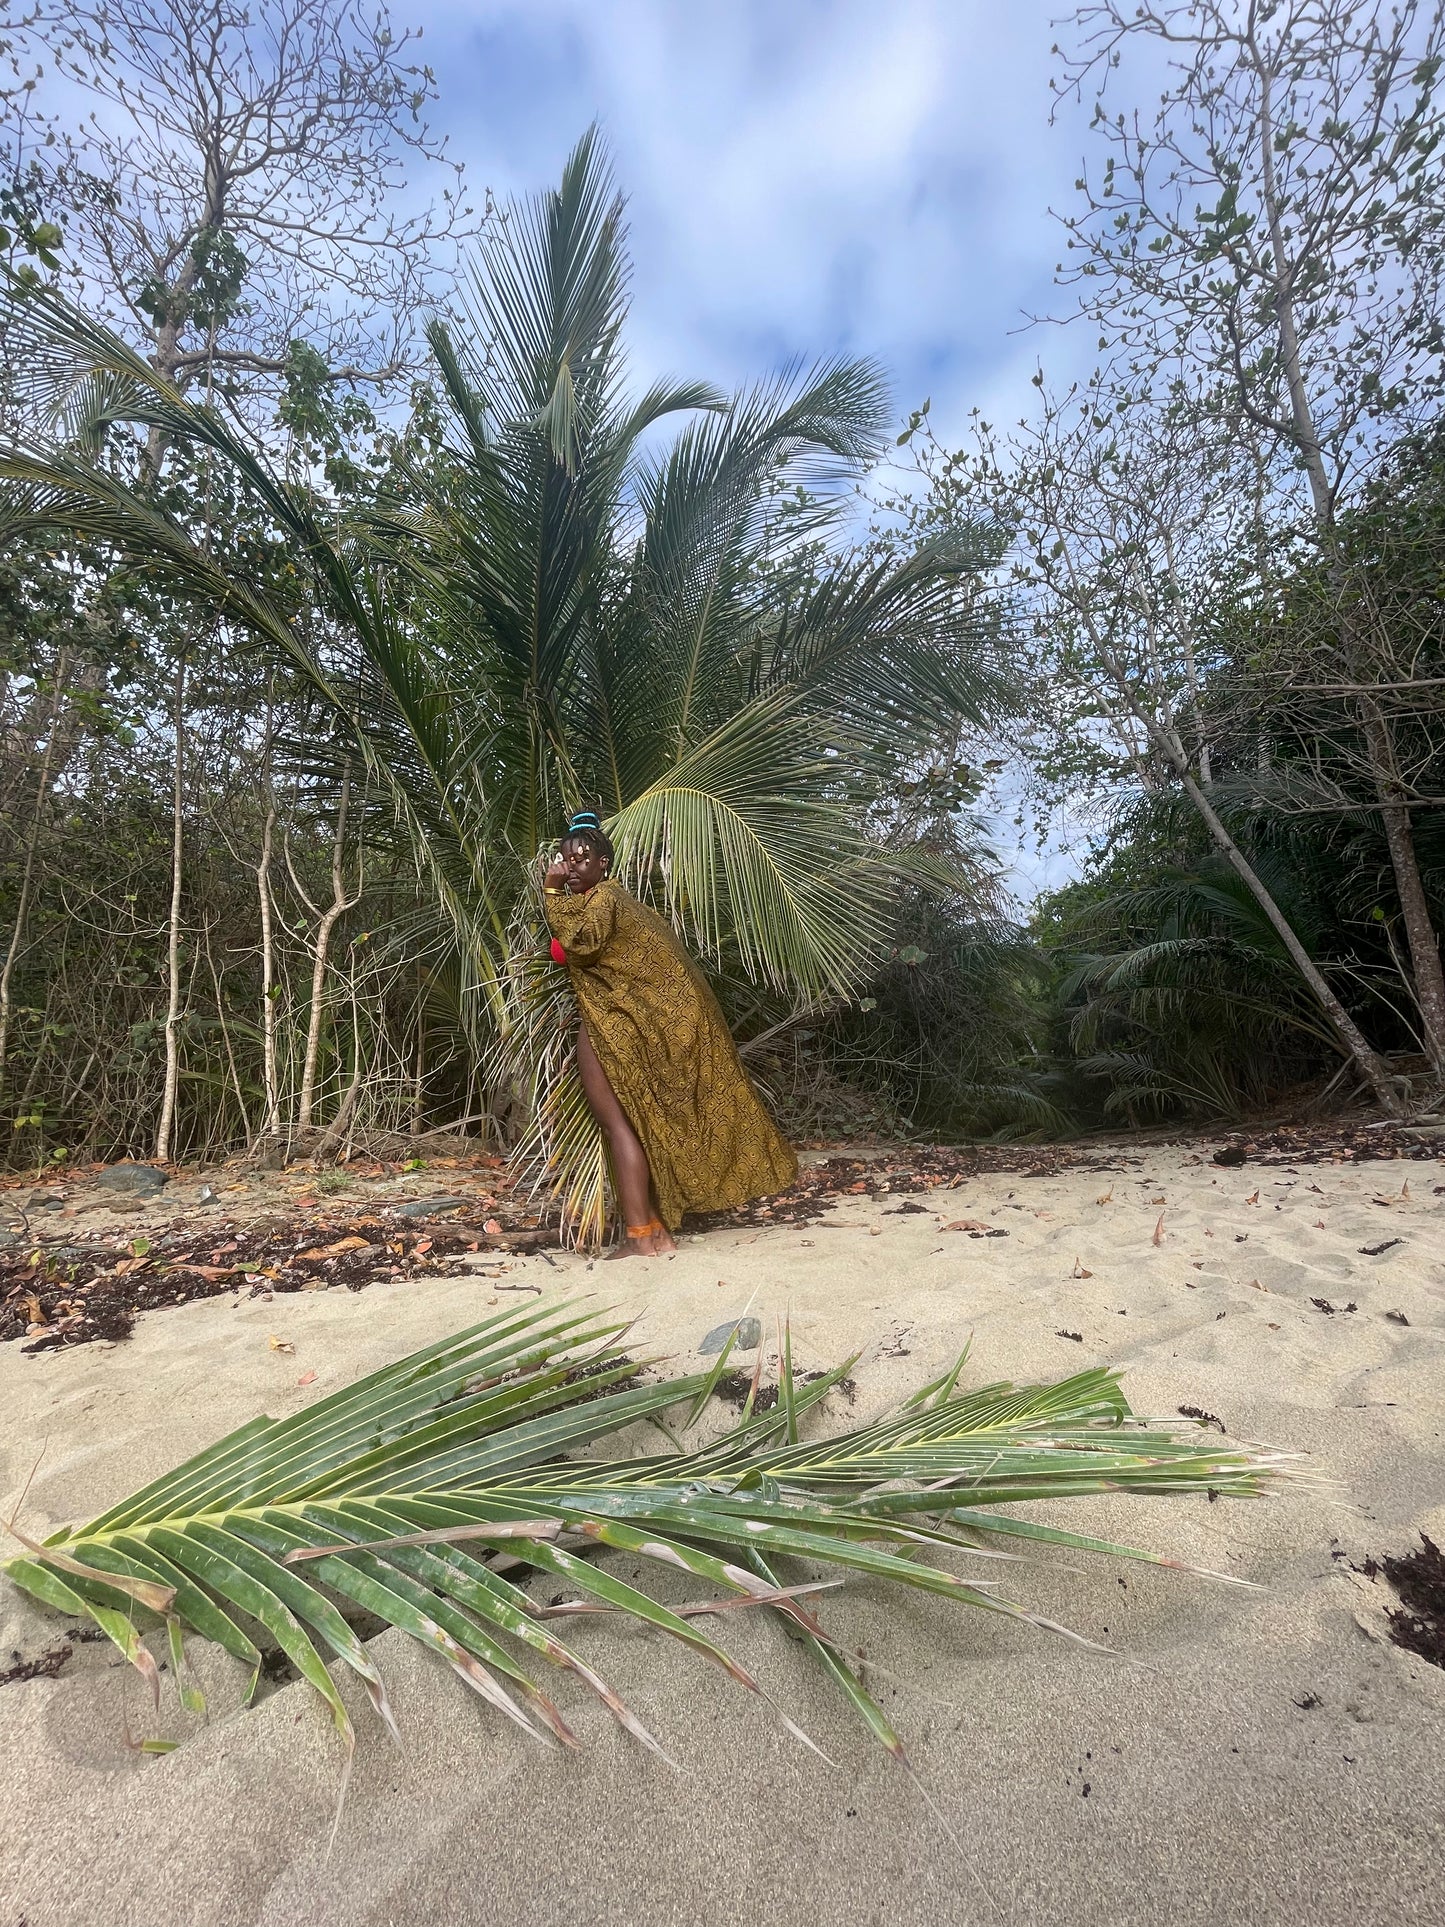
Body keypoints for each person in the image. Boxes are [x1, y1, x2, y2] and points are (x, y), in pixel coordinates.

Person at [542, 810, 798, 1257]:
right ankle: (652, 1230)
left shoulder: (604, 899)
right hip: (619, 1021)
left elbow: (580, 946)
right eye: (566, 859)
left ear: (604, 863)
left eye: (582, 859)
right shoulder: (613, 901)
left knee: (618, 1127)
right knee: (632, 1126)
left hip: (621, 1024)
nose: (572, 867)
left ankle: (644, 1236)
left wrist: (549, 889)